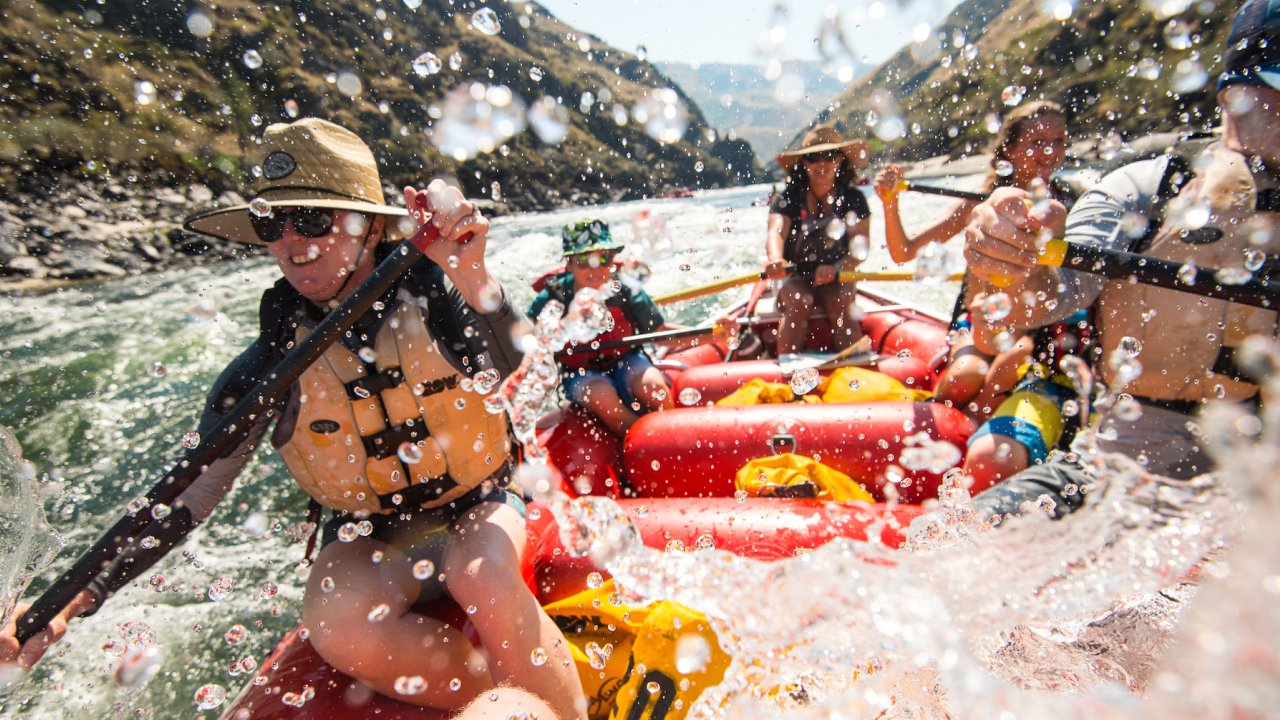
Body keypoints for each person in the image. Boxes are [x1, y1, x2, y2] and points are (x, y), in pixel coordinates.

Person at [0, 118, 586, 720]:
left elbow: (519, 366)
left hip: (481, 504)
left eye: (311, 219)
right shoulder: (268, 364)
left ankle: (549, 707)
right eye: (269, 223)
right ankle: (501, 697)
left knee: (483, 572)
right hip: (372, 535)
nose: (289, 242)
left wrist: (472, 273)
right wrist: (74, 602)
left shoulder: (440, 302)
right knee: (335, 619)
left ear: (375, 227)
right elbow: (188, 496)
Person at [961, 0, 1280, 519]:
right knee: (969, 536)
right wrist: (1002, 261)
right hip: (1132, 456)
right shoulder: (1145, 190)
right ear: (1234, 89)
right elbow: (1038, 303)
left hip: (1259, 474)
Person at [873, 101, 1079, 490]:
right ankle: (963, 417)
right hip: (977, 326)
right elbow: (903, 251)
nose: (1049, 153)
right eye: (1037, 142)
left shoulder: (1073, 204)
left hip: (1036, 332)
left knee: (1014, 359)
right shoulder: (978, 204)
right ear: (1010, 150)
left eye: (1058, 142)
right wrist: (890, 201)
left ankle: (984, 424)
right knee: (971, 373)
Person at [528, 219, 677, 437]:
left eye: (604, 258)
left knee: (654, 390)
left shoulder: (624, 289)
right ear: (568, 264)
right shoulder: (552, 298)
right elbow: (528, 342)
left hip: (628, 360)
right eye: (584, 260)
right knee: (603, 397)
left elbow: (661, 334)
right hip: (580, 374)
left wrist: (718, 333)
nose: (595, 269)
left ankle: (672, 439)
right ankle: (645, 445)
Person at [765, 124, 872, 355]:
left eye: (830, 156)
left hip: (837, 273)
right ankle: (790, 373)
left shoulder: (855, 199)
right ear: (804, 164)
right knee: (799, 299)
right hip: (793, 274)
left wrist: (837, 268)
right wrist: (775, 259)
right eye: (813, 158)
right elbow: (776, 231)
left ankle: (854, 371)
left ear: (840, 160)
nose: (821, 164)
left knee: (841, 299)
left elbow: (860, 249)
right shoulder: (788, 198)